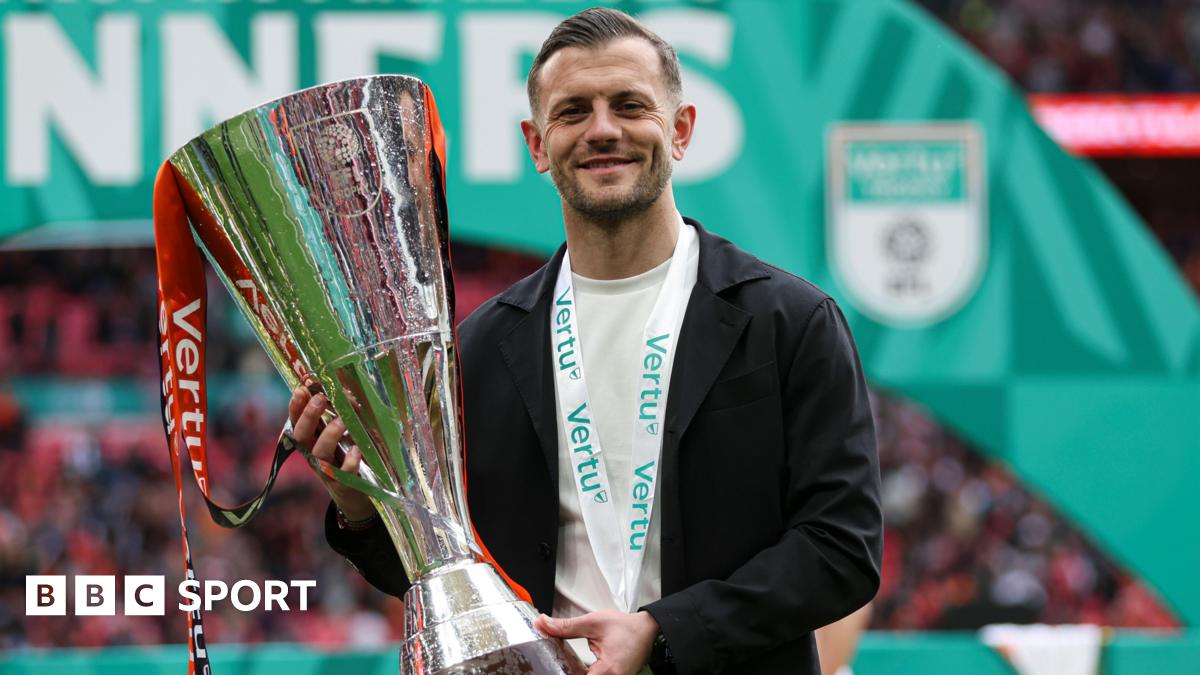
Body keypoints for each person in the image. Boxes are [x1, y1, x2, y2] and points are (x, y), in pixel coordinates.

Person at [289, 8, 882, 675]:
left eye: (629, 105)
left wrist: (664, 632)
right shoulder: (478, 352)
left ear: (681, 130)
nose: (603, 129)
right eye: (572, 112)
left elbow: (842, 550)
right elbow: (438, 571)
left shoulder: (789, 321)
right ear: (537, 144)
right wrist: (359, 505)